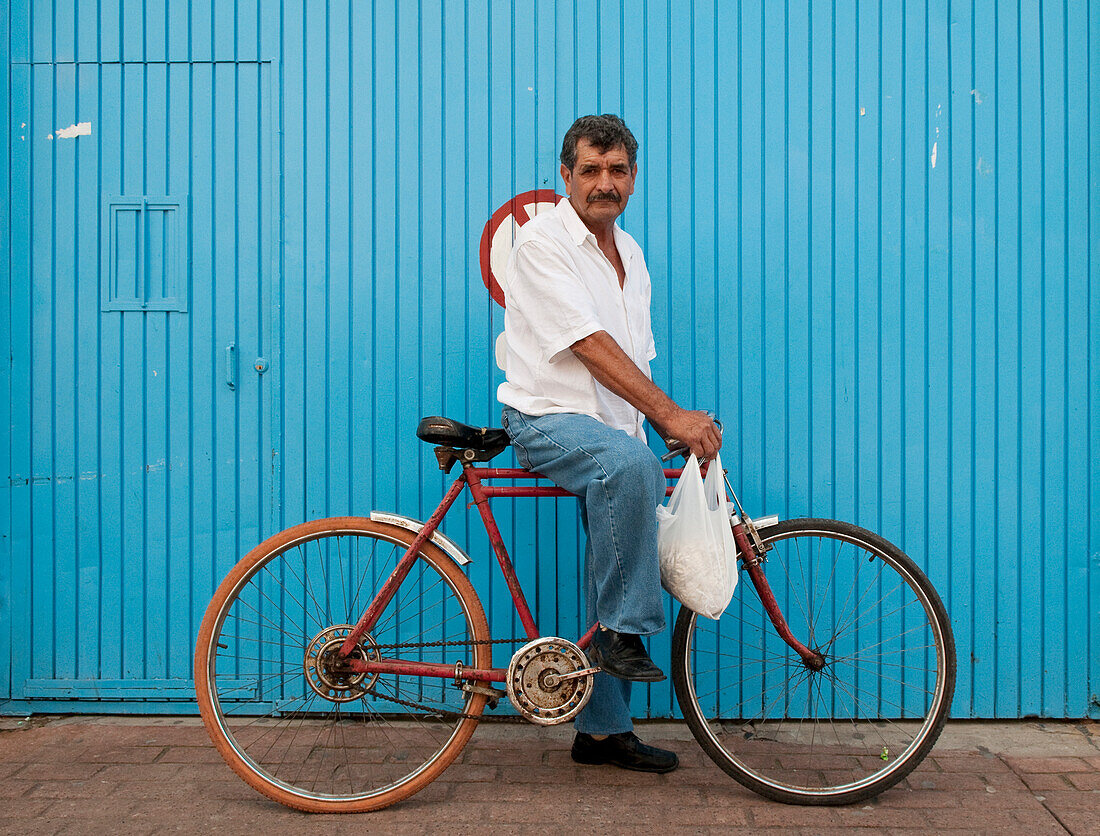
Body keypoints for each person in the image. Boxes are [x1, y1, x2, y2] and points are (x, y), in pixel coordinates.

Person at [497, 114, 722, 773]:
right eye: (590, 170)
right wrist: (672, 416)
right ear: (565, 175)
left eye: (617, 170)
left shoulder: (632, 254)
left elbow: (634, 362)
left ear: (632, 178)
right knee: (630, 470)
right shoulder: (543, 244)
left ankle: (601, 733)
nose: (604, 182)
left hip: (612, 427)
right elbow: (590, 347)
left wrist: (671, 429)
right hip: (546, 417)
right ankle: (624, 635)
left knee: (629, 525)